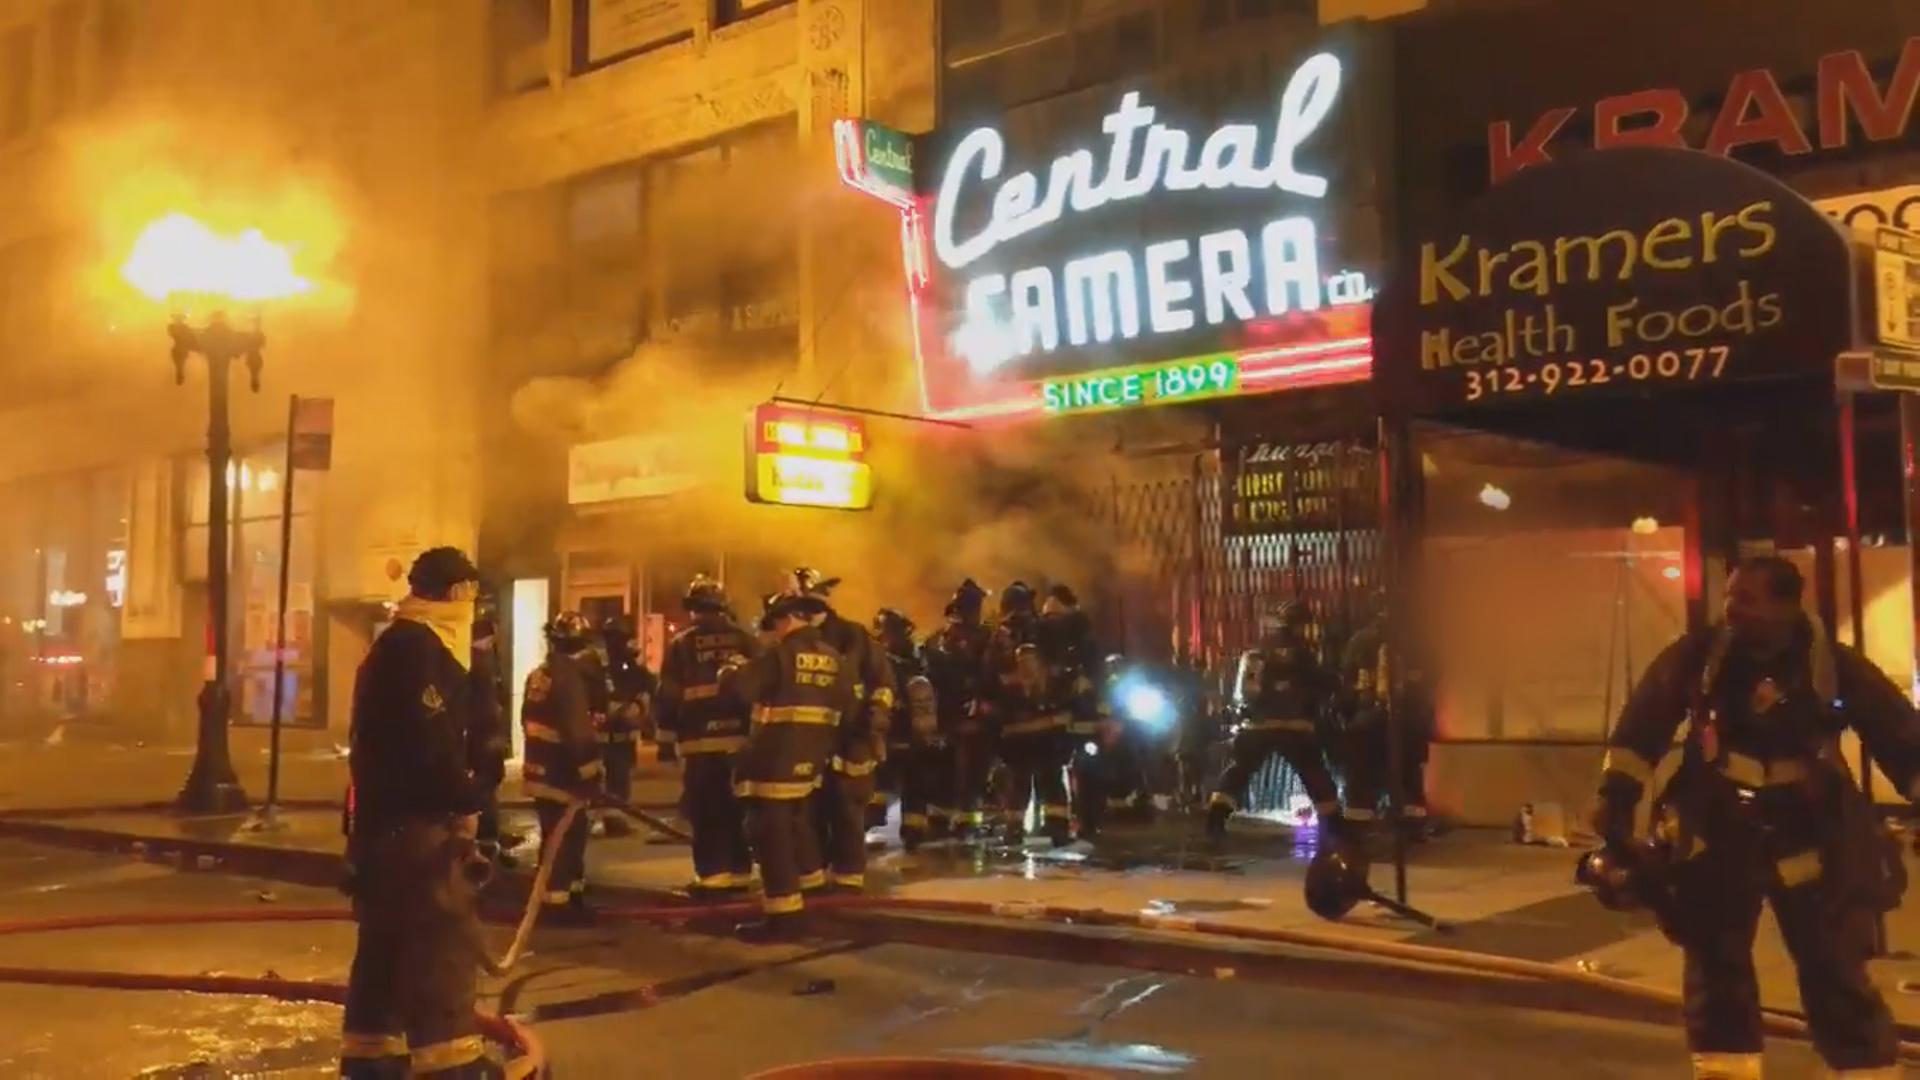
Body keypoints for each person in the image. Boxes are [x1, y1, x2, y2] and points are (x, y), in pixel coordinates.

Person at [1591, 557, 1920, 1080]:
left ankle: (1866, 1070)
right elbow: (1645, 719)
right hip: (1716, 829)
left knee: (1831, 960)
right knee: (1716, 959)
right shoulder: (1701, 656)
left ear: (1786, 605)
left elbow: (1899, 733)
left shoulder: (1831, 665)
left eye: (1746, 598)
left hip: (1810, 833)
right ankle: (1726, 1069)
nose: (1731, 608)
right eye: (1729, 596)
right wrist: (1617, 793)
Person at [340, 546, 500, 1079]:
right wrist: (467, 797)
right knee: (439, 941)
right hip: (417, 825)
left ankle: (371, 1058)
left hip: (380, 824)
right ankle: (452, 1065)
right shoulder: (417, 650)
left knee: (385, 945)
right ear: (457, 593)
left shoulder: (401, 644)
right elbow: (431, 743)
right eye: (471, 594)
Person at [727, 589, 854, 941]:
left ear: (790, 618)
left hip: (773, 757)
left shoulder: (780, 656)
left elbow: (742, 689)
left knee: (771, 833)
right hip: (812, 756)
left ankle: (784, 917)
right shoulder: (833, 657)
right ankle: (812, 890)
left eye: (778, 621)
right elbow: (849, 706)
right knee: (798, 823)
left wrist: (733, 670)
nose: (776, 628)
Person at [657, 576, 758, 898]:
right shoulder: (746, 640)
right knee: (738, 806)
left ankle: (714, 877)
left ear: (693, 609)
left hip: (699, 742)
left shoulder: (682, 645)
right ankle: (741, 871)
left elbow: (668, 694)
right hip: (742, 742)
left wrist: (664, 739)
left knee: (706, 809)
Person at [1207, 599, 1342, 842]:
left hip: (1257, 726)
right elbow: (1323, 684)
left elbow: (1243, 690)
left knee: (1239, 771)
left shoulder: (1257, 650)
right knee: (1314, 773)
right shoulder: (1303, 653)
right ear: (1300, 625)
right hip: (1295, 727)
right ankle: (1332, 826)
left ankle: (1215, 820)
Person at [797, 568, 894, 892]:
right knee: (807, 811)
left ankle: (848, 877)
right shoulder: (788, 641)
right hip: (805, 742)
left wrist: (876, 717)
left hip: (850, 738)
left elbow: (882, 681)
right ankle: (814, 873)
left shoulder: (854, 637)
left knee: (846, 808)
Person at [520, 610, 603, 923]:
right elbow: (577, 731)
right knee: (564, 838)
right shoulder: (569, 677)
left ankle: (569, 893)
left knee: (560, 833)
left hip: (541, 768)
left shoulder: (538, 674)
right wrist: (591, 772)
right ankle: (557, 904)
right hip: (562, 772)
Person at [1339, 596, 1434, 848]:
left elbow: (1346, 681)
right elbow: (1430, 682)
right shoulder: (1416, 641)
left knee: (1361, 774)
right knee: (1408, 774)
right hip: (1406, 720)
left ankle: (1358, 829)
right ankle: (1412, 828)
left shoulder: (1360, 641)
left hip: (1368, 717)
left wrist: (1349, 715)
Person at [924, 579, 994, 838]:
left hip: (945, 717)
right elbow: (990, 674)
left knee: (944, 769)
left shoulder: (935, 638)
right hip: (971, 717)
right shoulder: (986, 637)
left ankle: (940, 821)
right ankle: (967, 821)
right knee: (971, 772)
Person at [1039, 585, 1109, 841]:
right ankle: (1057, 824)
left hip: (1083, 720)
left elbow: (1098, 680)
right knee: (1050, 772)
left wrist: (1084, 686)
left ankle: (1089, 823)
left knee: (1087, 772)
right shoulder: (1044, 644)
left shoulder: (1087, 644)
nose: (1051, 622)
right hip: (1054, 718)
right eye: (1047, 617)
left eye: (1056, 616)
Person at [874, 608, 942, 850]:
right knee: (915, 786)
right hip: (916, 737)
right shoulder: (923, 659)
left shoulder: (883, 662)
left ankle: (874, 822)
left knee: (884, 785)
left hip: (895, 735)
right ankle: (913, 832)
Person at [596, 618, 656, 838]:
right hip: (612, 732)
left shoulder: (610, 665)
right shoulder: (602, 666)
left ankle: (613, 819)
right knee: (616, 777)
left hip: (617, 732)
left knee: (616, 777)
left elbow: (647, 686)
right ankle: (613, 821)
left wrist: (638, 707)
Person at [467, 600, 515, 871]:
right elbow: (485, 703)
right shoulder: (479, 660)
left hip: (487, 738)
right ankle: (485, 847)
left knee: (488, 791)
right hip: (481, 739)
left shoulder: (487, 658)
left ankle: (488, 843)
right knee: (483, 792)